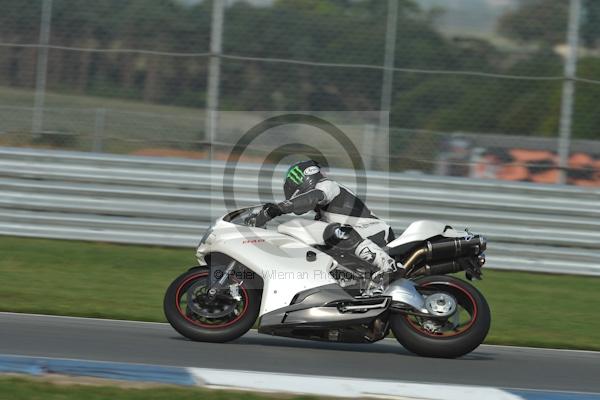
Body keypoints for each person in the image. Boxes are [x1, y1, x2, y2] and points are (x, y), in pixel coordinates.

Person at [249, 160, 404, 278]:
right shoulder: (321, 215)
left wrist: (280, 208)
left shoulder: (328, 186)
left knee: (333, 232)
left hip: (375, 231)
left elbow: (312, 197)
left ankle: (389, 266)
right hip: (360, 236)